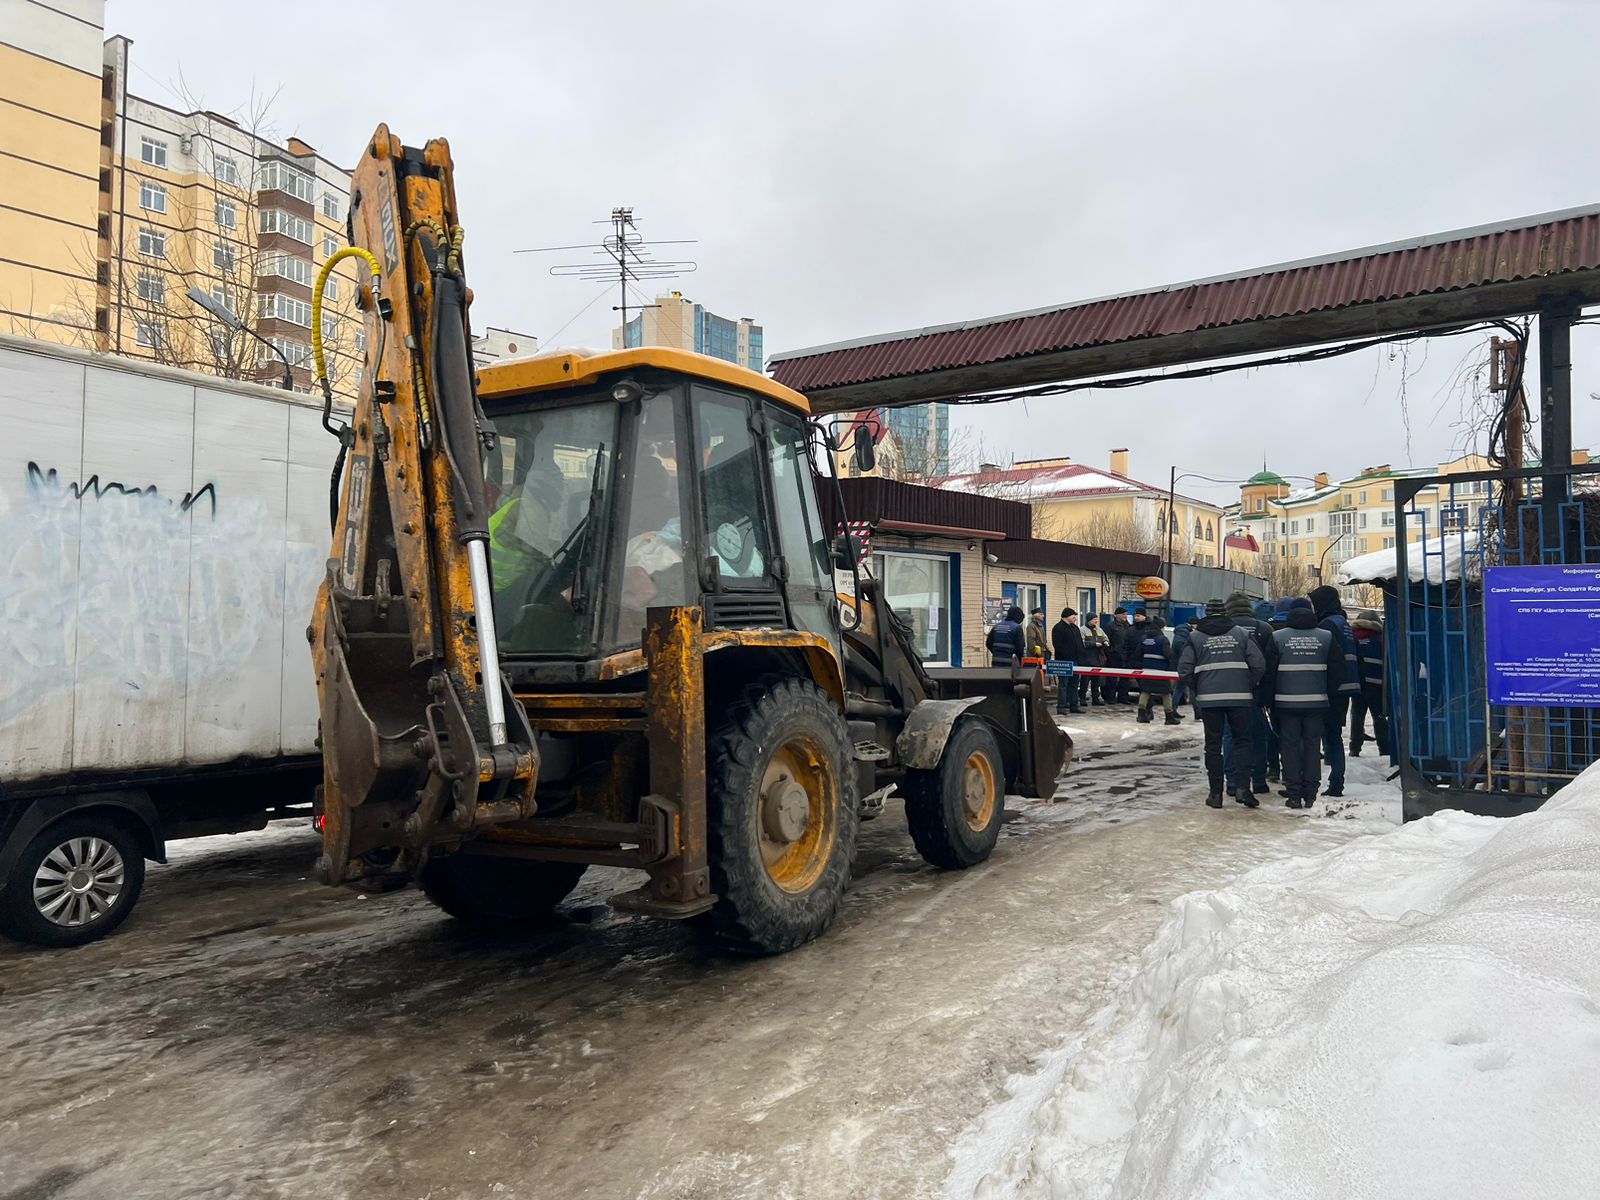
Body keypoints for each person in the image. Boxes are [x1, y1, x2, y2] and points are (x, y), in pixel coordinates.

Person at [1179, 597, 1265, 808]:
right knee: (1243, 741)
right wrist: (1248, 683)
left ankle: (1215, 794)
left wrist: (1200, 687)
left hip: (1209, 700)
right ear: (1226, 613)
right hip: (1240, 698)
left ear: (1206, 614)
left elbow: (1184, 670)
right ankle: (1243, 789)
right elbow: (1259, 664)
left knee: (1213, 746)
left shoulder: (1195, 637)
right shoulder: (1242, 635)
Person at [1263, 597, 1347, 808]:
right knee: (1312, 746)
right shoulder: (1326, 637)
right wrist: (1326, 693)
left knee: (1289, 748)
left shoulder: (1278, 637)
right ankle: (1310, 793)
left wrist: (1268, 701)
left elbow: (1268, 674)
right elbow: (1339, 671)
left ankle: (1294, 794)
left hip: (1285, 705)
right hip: (1317, 705)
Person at [1308, 585, 1362, 798]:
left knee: (1326, 734)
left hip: (1332, 688)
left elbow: (1326, 658)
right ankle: (1336, 780)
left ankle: (1333, 782)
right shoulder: (1343, 623)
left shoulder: (1328, 625)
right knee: (1334, 735)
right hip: (1347, 686)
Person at [1222, 591, 1273, 797]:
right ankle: (1259, 780)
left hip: (1227, 690)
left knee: (1230, 735)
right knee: (1258, 735)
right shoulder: (1263, 628)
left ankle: (1232, 781)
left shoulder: (1222, 629)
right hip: (1255, 691)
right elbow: (1268, 665)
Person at [1350, 610, 1390, 757]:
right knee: (1379, 718)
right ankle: (1384, 748)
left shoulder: (1353, 638)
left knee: (1357, 717)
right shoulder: (1380, 639)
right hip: (1377, 685)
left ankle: (1355, 748)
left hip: (1358, 685)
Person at [1137, 617, 1181, 725]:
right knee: (1166, 693)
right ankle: (1169, 716)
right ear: (1161, 627)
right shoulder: (1162, 639)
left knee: (1145, 691)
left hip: (1146, 669)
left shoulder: (1144, 638)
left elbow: (1138, 654)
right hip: (1160, 670)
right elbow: (1168, 655)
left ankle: (1141, 714)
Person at [1052, 608, 1085, 714]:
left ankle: (1074, 705)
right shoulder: (1058, 628)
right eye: (1073, 616)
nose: (1075, 618)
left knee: (1074, 684)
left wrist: (1081, 657)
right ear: (1066, 616)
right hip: (1064, 662)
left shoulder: (1075, 628)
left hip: (1076, 661)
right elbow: (1058, 645)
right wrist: (1066, 656)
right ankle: (1061, 706)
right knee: (1063, 685)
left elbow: (1079, 644)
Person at [1107, 608, 1138, 703]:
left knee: (1125, 678)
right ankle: (1111, 698)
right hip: (1114, 656)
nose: (1125, 616)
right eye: (1123, 614)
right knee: (1112, 678)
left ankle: (1123, 697)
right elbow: (1107, 640)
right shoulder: (1111, 626)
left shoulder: (1128, 626)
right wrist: (1111, 652)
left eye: (1126, 614)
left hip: (1126, 656)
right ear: (1117, 615)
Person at [1079, 614, 1110, 707]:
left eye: (1096, 619)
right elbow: (1082, 642)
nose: (1096, 621)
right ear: (1089, 620)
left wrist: (1106, 642)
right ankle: (1082, 698)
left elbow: (1106, 638)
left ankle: (1095, 699)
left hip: (1098, 659)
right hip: (1087, 659)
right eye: (1094, 619)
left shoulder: (1099, 629)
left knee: (1096, 681)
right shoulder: (1082, 630)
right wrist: (1093, 644)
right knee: (1085, 681)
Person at [1170, 613, 1194, 709]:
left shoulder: (1182, 631)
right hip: (1185, 665)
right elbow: (1179, 646)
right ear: (1194, 625)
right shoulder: (1184, 633)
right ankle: (1198, 713)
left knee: (1180, 688)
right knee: (1191, 689)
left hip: (1181, 665)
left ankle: (1173, 709)